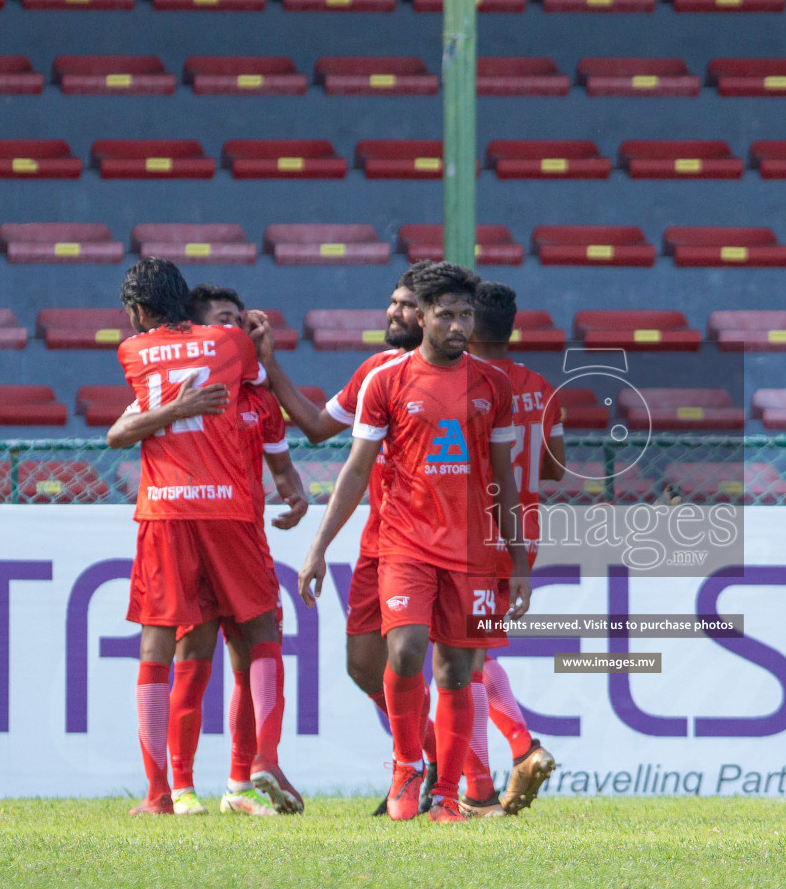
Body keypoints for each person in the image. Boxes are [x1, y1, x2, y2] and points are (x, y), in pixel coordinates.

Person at [296, 263, 532, 823]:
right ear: (422, 316)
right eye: (446, 314)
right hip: (405, 542)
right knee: (404, 652)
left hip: (474, 550)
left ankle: (447, 796)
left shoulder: (493, 385)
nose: (458, 325)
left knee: (455, 671)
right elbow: (355, 470)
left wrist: (517, 558)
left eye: (466, 315)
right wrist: (318, 546)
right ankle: (407, 765)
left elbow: (503, 477)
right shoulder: (386, 380)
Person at [246, 265, 440, 815]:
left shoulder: (457, 379)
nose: (392, 313)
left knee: (439, 661)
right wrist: (269, 364)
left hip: (435, 546)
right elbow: (313, 424)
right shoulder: (377, 371)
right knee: (363, 665)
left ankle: (446, 775)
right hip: (381, 540)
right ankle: (428, 758)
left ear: (429, 316)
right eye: (392, 302)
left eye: (404, 305)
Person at [110, 258, 280, 816]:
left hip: (163, 511)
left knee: (161, 640)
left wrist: (170, 408)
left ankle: (166, 791)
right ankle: (252, 771)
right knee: (256, 633)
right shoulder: (230, 344)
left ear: (137, 311)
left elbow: (120, 431)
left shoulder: (132, 353)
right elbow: (260, 382)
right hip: (229, 509)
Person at [461, 281, 564, 816]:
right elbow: (554, 467)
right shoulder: (541, 387)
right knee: (476, 652)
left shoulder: (470, 383)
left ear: (470, 327)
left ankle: (507, 760)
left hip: (473, 531)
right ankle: (497, 766)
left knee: (464, 657)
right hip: (521, 531)